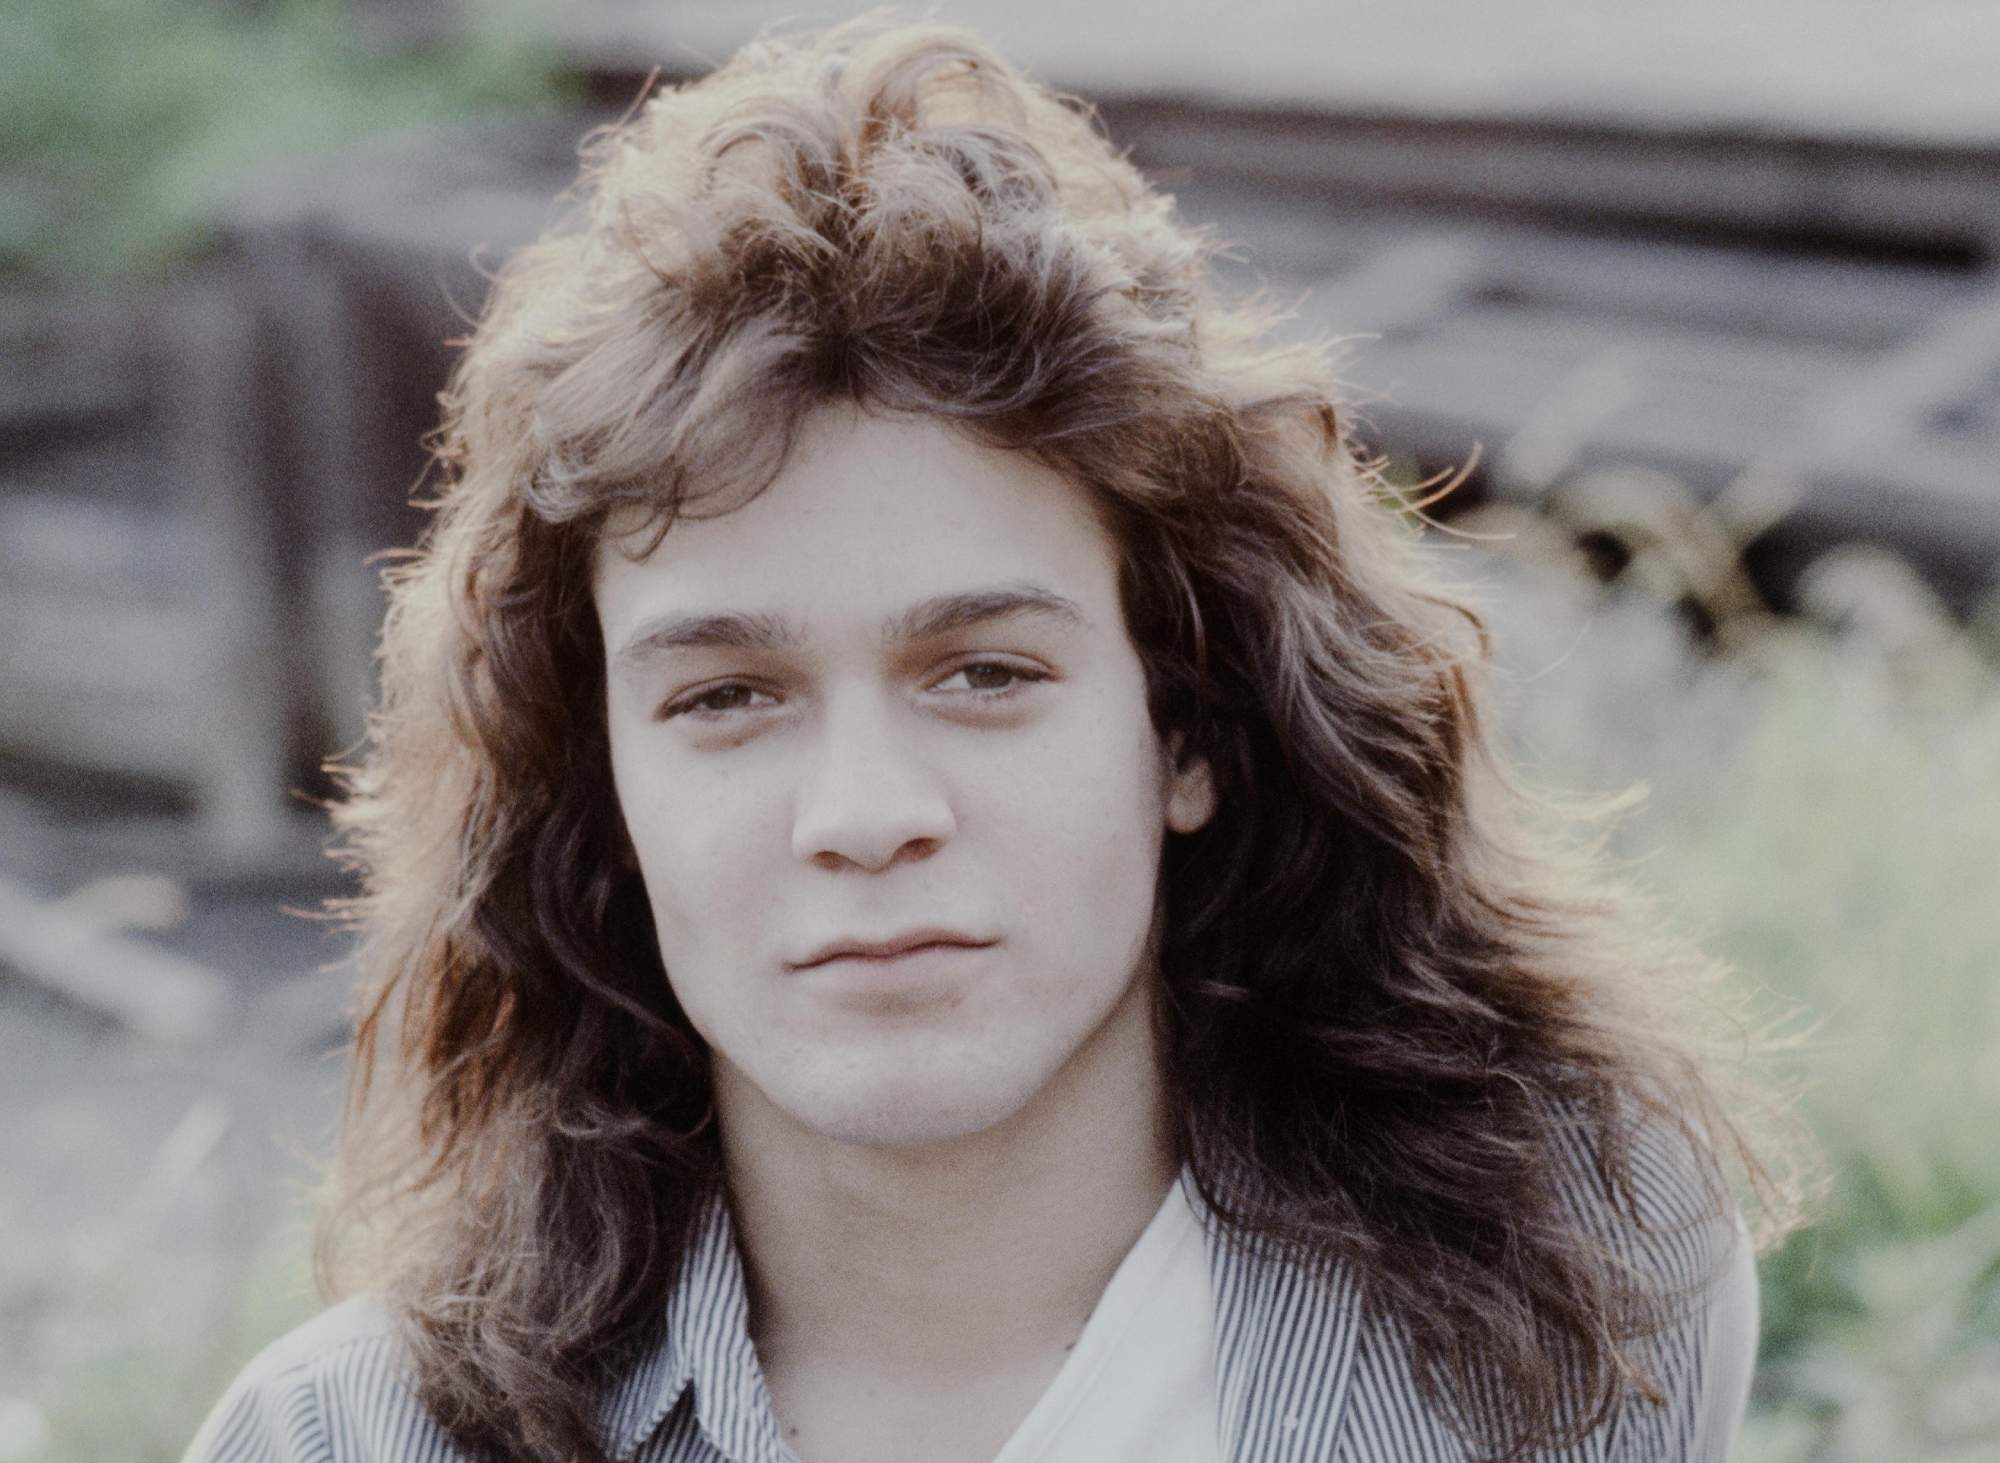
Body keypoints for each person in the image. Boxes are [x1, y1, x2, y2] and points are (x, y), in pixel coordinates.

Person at [185, 18, 1794, 1463]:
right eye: (725, 698)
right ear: (601, 790)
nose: (868, 816)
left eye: (985, 674)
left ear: (1186, 730)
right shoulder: (347, 1444)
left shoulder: (1577, 1288)